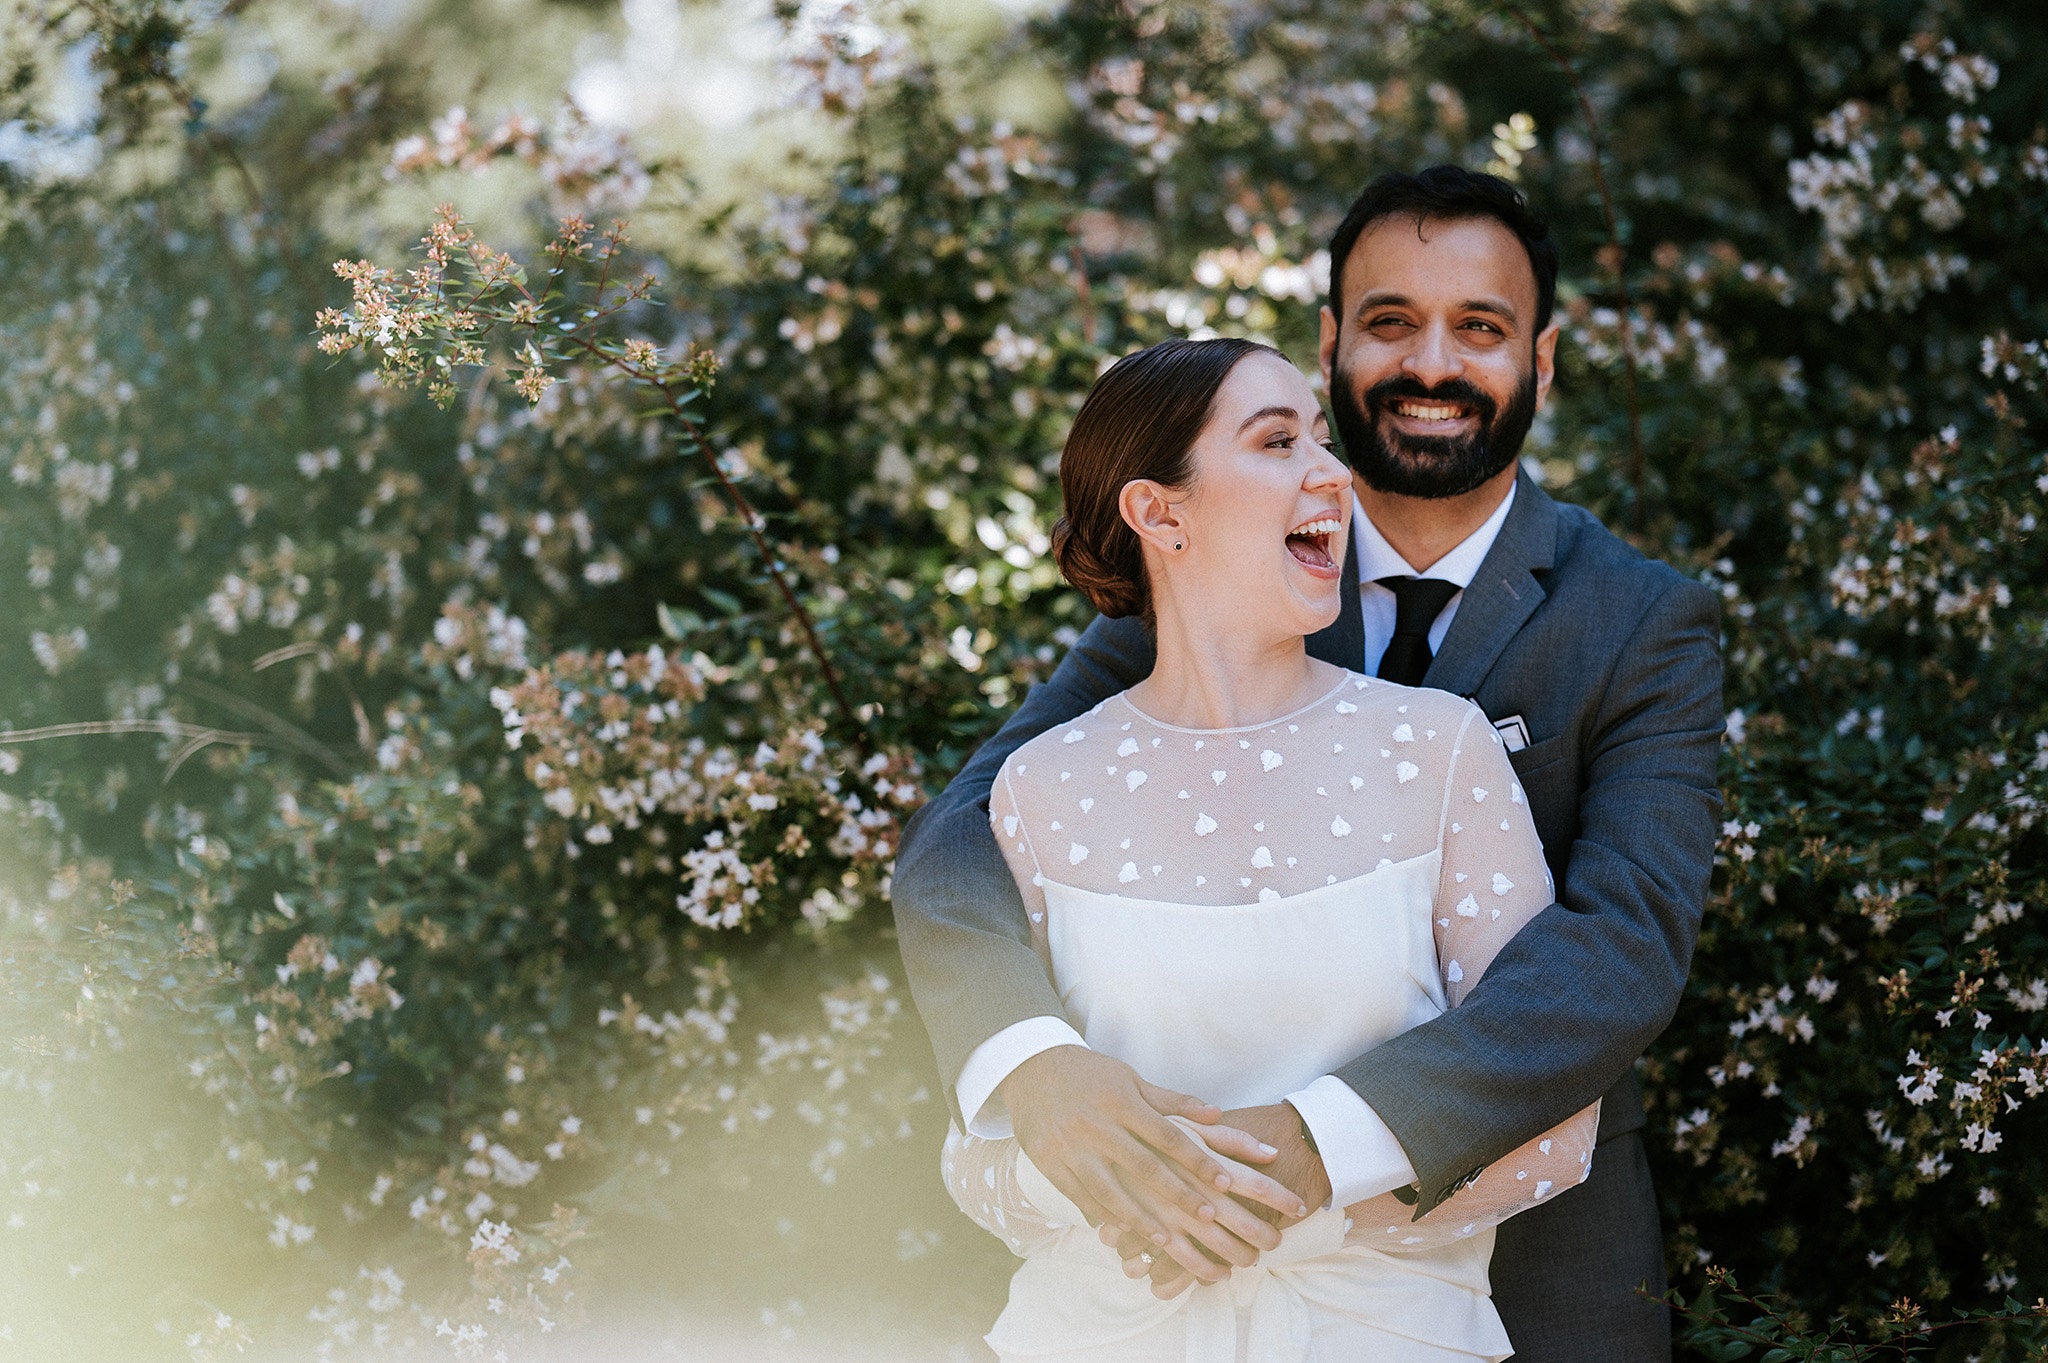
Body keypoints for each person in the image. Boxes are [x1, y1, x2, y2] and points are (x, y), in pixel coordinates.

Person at [893, 166, 1724, 1361]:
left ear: (1540, 360)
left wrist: (1324, 1144)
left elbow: (1621, 945)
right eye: (1389, 321)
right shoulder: (1203, 572)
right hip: (1155, 1265)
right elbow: (963, 835)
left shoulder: (1639, 620)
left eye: (1478, 328)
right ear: (1331, 342)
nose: (1429, 363)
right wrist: (1035, 1065)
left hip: (1537, 1226)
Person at [935, 333, 1600, 1360]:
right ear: (1159, 514)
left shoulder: (1437, 751)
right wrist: (1122, 1184)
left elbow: (1552, 1123)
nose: (1332, 473)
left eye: (1321, 440)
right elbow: (970, 1161)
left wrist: (1266, 1205)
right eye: (1278, 441)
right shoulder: (1040, 787)